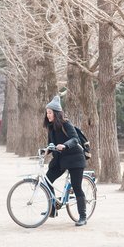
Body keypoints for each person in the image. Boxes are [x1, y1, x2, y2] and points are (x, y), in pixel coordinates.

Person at [44, 96, 88, 226]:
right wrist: (47, 150)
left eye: (50, 113)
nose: (47, 115)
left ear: (56, 113)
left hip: (75, 159)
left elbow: (75, 139)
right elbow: (51, 143)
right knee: (47, 181)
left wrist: (65, 145)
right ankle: (53, 208)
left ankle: (83, 216)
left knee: (76, 187)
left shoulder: (66, 124)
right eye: (47, 113)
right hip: (60, 160)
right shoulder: (51, 127)